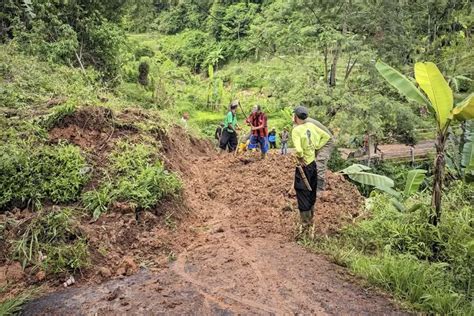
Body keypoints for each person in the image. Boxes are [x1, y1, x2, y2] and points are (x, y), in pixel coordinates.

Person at [292, 106, 330, 232]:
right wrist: (316, 146)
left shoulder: (296, 130)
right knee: (311, 192)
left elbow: (298, 149)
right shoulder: (312, 126)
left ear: (296, 117)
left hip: (304, 166)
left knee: (302, 192)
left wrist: (300, 157)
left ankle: (305, 224)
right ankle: (311, 220)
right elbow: (326, 137)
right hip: (313, 164)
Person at [304, 116, 334, 192]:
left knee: (319, 163)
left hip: (327, 142)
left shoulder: (308, 124)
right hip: (318, 142)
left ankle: (319, 190)